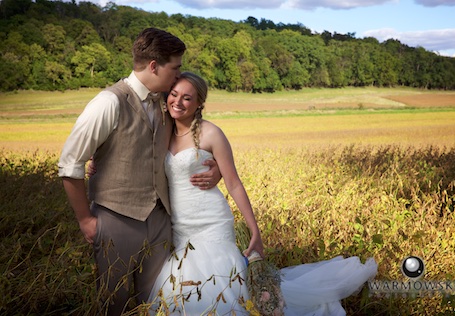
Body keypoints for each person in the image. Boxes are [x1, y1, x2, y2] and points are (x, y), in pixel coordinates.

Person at [146, 72, 378, 316]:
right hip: (180, 227)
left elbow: (234, 183)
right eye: (174, 95)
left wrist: (254, 230)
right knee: (181, 291)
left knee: (218, 289)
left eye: (187, 98)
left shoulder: (211, 133)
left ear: (199, 104)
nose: (178, 102)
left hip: (211, 223)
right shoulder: (164, 130)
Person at [58, 29, 221, 316]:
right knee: (113, 303)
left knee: (157, 302)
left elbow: (192, 141)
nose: (179, 74)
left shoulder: (166, 101)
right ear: (154, 66)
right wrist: (86, 220)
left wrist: (216, 168)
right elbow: (70, 164)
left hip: (160, 220)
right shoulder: (109, 102)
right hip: (116, 219)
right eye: (176, 67)